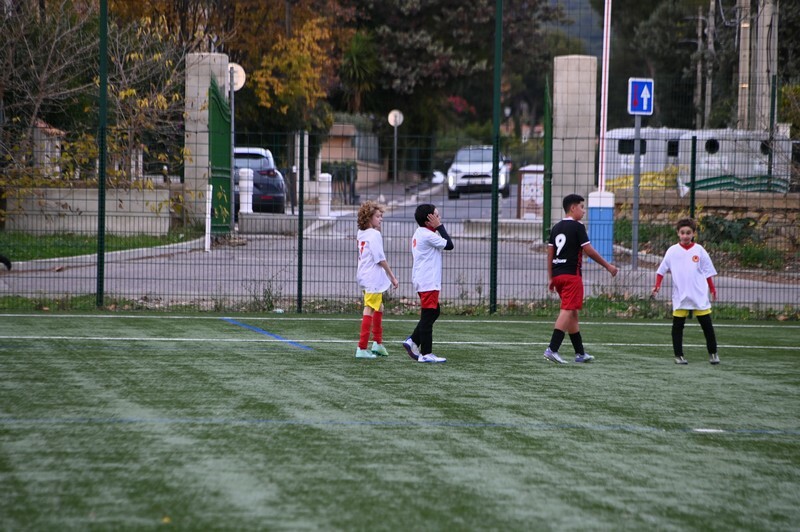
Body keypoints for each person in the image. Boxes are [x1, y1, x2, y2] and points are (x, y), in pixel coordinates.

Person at [544, 194, 618, 364]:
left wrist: (551, 278)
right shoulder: (578, 227)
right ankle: (552, 349)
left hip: (558, 275)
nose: (584, 211)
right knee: (567, 310)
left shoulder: (556, 227)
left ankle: (580, 353)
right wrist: (608, 266)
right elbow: (589, 250)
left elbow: (550, 254)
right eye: (582, 207)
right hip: (571, 275)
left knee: (572, 314)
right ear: (573, 208)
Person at [652, 218, 720, 365]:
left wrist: (712, 288)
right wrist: (657, 286)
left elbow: (708, 272)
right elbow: (661, 271)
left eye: (688, 233)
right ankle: (679, 355)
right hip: (680, 295)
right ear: (678, 233)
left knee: (707, 325)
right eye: (682, 233)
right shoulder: (672, 251)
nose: (685, 236)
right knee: (678, 326)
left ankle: (713, 353)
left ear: (694, 233)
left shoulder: (700, 250)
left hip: (699, 294)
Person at [403, 204, 454, 363]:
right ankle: (426, 353)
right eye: (436, 216)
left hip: (423, 280)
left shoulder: (421, 232)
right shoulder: (428, 235)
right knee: (427, 315)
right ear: (428, 221)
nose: (439, 218)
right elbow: (449, 245)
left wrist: (436, 226)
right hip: (428, 281)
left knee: (434, 311)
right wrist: (439, 226)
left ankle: (412, 340)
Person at [355, 201, 398, 359]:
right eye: (378, 216)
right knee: (369, 308)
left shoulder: (362, 233)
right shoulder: (374, 235)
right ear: (369, 218)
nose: (381, 219)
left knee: (379, 306)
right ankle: (362, 347)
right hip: (372, 277)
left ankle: (377, 343)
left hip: (364, 274)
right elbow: (379, 258)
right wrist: (392, 276)